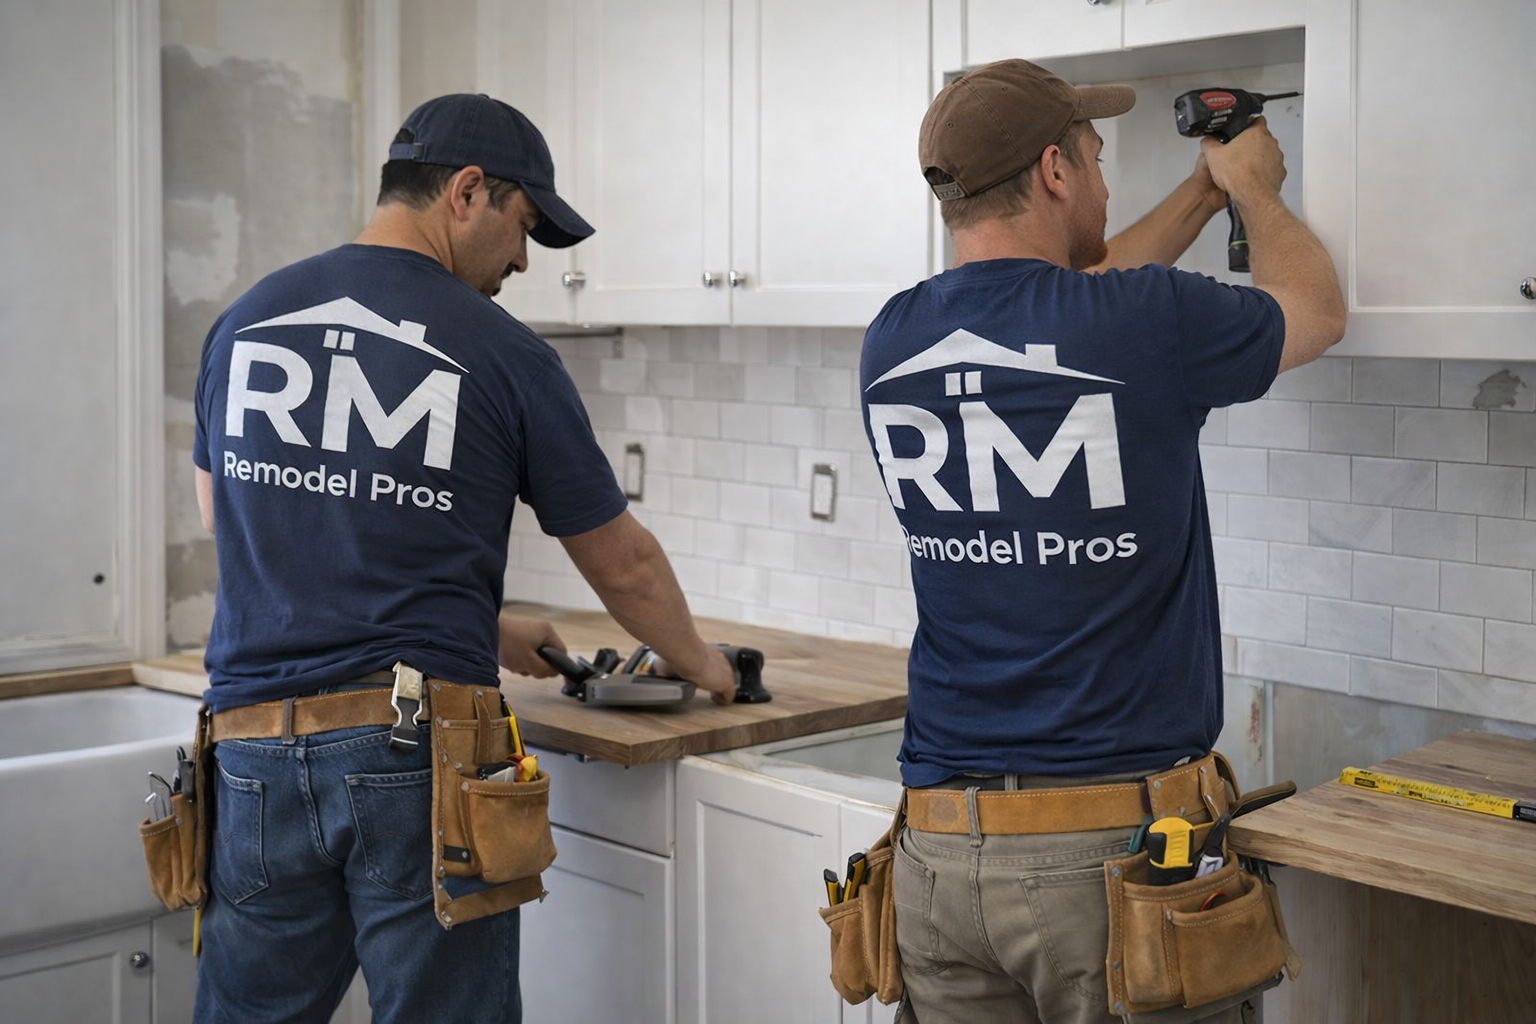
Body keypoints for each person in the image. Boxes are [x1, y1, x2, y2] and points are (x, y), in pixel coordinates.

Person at [189, 93, 736, 1024]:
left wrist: (481, 622)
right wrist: (709, 669)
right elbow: (626, 566)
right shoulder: (506, 352)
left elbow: (240, 529)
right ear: (469, 192)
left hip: (251, 752)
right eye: (524, 227)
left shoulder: (245, 322)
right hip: (418, 753)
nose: (524, 261)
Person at [859, 60, 1344, 1024]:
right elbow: (1316, 311)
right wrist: (1254, 189)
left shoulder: (894, 337)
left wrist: (1199, 195)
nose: (1105, 176)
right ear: (1053, 170)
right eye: (1096, 154)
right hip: (1113, 869)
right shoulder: (1145, 321)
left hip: (939, 860)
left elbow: (1069, 295)